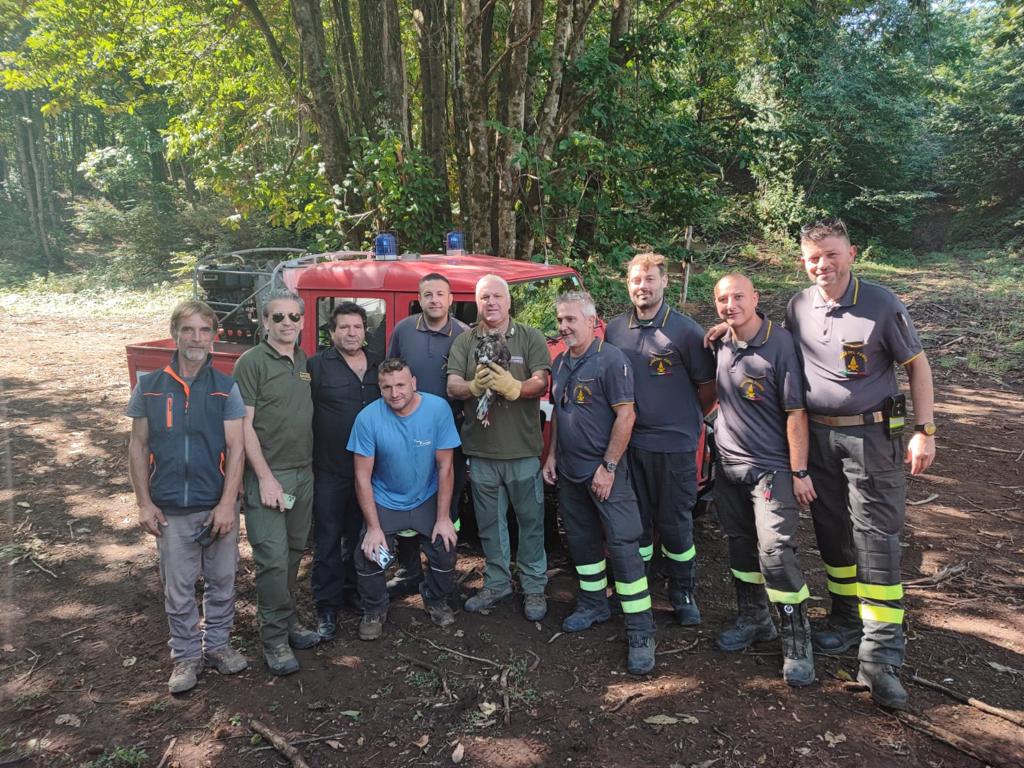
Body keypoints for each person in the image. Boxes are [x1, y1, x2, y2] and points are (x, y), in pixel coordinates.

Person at [705, 218, 937, 709]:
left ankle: (881, 658)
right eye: (813, 258)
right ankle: (845, 620)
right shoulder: (798, 306)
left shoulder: (880, 303)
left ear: (851, 253)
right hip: (819, 437)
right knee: (832, 532)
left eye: (831, 255)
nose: (822, 265)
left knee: (876, 539)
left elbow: (917, 364)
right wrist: (726, 326)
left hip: (873, 436)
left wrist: (924, 429)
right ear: (802, 263)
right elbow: (771, 347)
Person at [127, 300, 248, 693]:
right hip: (170, 509)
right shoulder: (149, 386)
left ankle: (217, 646)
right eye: (188, 330)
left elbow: (237, 448)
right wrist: (144, 502)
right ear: (176, 333)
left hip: (216, 506)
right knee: (178, 587)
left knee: (222, 580)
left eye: (204, 331)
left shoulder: (225, 387)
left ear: (214, 337)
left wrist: (228, 504)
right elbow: (137, 445)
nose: (196, 338)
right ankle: (185, 657)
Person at [709, 274, 816, 687]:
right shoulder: (719, 341)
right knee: (739, 546)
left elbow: (795, 414)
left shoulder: (780, 344)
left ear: (756, 297)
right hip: (728, 465)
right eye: (722, 299)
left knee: (774, 552)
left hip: (771, 468)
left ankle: (797, 643)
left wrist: (800, 470)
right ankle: (754, 619)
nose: (730, 304)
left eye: (738, 296)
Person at [542, 292, 656, 675]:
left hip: (605, 473)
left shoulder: (611, 361)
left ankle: (641, 629)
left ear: (593, 322)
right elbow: (560, 413)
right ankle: (593, 604)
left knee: (623, 545)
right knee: (582, 542)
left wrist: (608, 466)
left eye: (571, 319)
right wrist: (553, 456)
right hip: (570, 473)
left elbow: (626, 416)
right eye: (560, 320)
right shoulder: (559, 364)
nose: (564, 327)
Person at [605, 253, 716, 625]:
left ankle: (682, 592)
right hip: (631, 445)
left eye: (650, 279)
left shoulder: (686, 332)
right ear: (628, 284)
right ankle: (641, 584)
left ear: (664, 282)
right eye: (636, 280)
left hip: (675, 446)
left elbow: (708, 388)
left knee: (675, 522)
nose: (643, 286)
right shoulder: (615, 330)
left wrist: (683, 418)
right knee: (637, 522)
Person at [447, 274, 552, 621]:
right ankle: (497, 582)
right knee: (490, 526)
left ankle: (534, 587)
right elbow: (453, 386)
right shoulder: (465, 342)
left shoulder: (530, 336)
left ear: (508, 302)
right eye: (484, 297)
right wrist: (474, 386)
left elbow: (541, 381)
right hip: (482, 453)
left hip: (522, 451)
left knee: (531, 522)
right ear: (477, 302)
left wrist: (515, 387)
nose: (490, 303)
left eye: (496, 297)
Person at [234, 288, 320, 675]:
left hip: (304, 472)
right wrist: (265, 478)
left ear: (302, 321)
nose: (287, 323)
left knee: (293, 553)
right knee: (270, 559)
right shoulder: (251, 363)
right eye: (278, 317)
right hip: (270, 476)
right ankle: (272, 640)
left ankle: (287, 624)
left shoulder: (302, 359)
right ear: (264, 321)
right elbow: (243, 426)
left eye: (293, 317)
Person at [347, 359, 461, 640]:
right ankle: (374, 609)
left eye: (400, 385)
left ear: (413, 383)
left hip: (426, 495)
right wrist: (373, 528)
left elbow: (445, 467)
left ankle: (435, 599)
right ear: (380, 389)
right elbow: (362, 477)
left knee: (444, 547)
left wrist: (444, 518)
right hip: (385, 498)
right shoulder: (368, 418)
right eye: (386, 387)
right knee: (369, 554)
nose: (394, 393)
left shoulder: (437, 410)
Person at [386, 274, 469, 598]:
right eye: (427, 294)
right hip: (406, 431)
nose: (434, 300)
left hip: (450, 433)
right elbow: (390, 374)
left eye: (440, 294)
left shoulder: (464, 334)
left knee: (448, 504)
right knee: (407, 495)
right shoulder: (403, 330)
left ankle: (443, 573)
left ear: (450, 299)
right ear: (419, 299)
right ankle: (408, 570)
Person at [307, 302, 382, 641]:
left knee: (359, 535)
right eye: (344, 328)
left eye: (357, 327)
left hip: (369, 472)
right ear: (332, 332)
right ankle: (326, 606)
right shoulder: (316, 367)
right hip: (330, 470)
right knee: (326, 539)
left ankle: (354, 590)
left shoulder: (378, 364)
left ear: (365, 330)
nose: (351, 333)